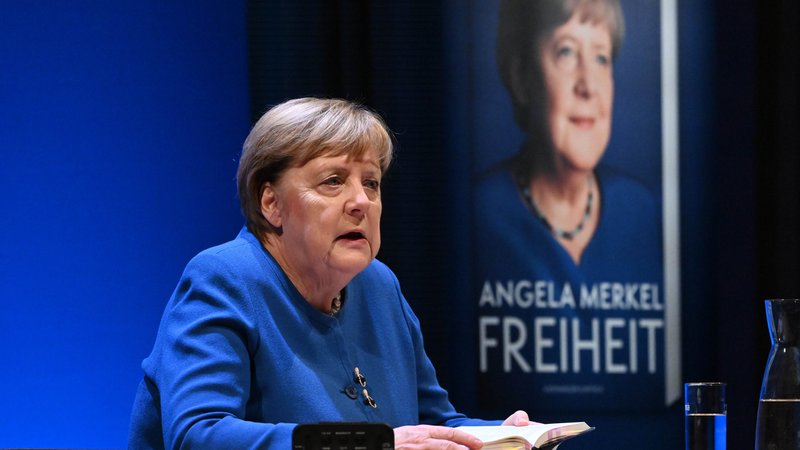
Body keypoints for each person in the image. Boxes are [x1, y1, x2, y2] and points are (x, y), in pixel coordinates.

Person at [129, 97, 530, 449]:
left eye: (371, 183)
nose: (361, 201)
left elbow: (433, 423)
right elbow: (199, 435)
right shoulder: (225, 279)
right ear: (271, 202)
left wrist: (506, 437)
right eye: (333, 181)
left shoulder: (378, 285)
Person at [474, 0, 663, 412]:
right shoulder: (477, 214)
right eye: (565, 52)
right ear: (523, 77)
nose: (588, 85)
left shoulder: (645, 212)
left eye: (600, 58)